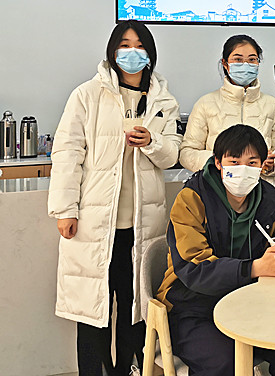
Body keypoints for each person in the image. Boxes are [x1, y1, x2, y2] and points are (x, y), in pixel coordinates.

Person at [48, 21, 182, 376]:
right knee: (93, 311)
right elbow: (67, 153)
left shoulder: (163, 101)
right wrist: (65, 209)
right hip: (95, 225)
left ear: (150, 54)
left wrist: (152, 142)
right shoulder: (87, 95)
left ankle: (127, 370)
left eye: (140, 45)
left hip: (142, 226)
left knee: (134, 311)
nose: (132, 52)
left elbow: (172, 155)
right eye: (125, 44)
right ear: (112, 51)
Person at [158, 124, 275, 376]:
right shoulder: (192, 198)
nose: (243, 169)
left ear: (262, 165)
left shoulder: (268, 198)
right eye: (234, 161)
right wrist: (255, 268)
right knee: (226, 361)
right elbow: (193, 269)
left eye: (252, 162)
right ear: (218, 162)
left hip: (252, 302)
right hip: (193, 306)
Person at [180, 34, 275, 187]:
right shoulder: (205, 104)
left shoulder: (272, 104)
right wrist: (221, 162)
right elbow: (187, 153)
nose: (245, 64)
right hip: (217, 188)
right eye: (238, 59)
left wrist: (273, 164)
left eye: (252, 59)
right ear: (225, 64)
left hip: (263, 189)